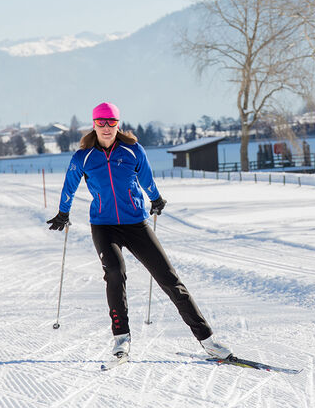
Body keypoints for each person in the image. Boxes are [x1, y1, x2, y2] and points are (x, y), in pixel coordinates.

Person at [46, 102, 231, 363]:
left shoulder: (132, 151)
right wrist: (63, 212)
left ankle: (208, 340)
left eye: (111, 122)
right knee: (114, 272)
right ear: (94, 125)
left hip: (136, 224)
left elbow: (146, 179)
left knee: (169, 279)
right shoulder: (84, 157)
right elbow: (70, 185)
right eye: (101, 122)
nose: (107, 127)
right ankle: (121, 339)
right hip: (103, 225)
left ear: (118, 124)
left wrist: (155, 198)